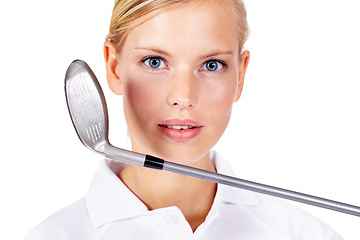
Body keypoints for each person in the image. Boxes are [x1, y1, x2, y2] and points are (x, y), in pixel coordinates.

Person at [25, 0, 343, 239]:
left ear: (241, 75)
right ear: (113, 67)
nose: (184, 96)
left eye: (212, 65)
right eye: (154, 61)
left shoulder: (303, 233)